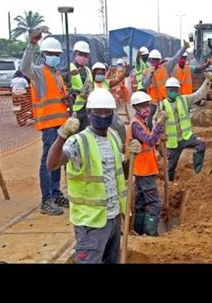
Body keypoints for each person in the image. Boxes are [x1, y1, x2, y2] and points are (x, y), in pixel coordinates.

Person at [46, 88, 132, 263]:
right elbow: (52, 164)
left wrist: (131, 157)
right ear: (89, 113)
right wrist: (62, 136)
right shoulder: (78, 141)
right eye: (97, 112)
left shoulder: (114, 137)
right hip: (90, 223)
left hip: (114, 218)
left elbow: (119, 173)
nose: (102, 115)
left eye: (106, 112)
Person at [21, 29, 70, 215]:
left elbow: (58, 98)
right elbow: (25, 68)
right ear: (43, 55)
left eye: (57, 55)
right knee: (47, 162)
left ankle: (56, 192)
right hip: (49, 126)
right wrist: (31, 44)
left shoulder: (56, 74)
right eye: (51, 54)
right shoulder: (39, 73)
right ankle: (46, 200)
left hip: (61, 124)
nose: (54, 57)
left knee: (57, 160)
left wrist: (67, 99)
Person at [161, 72, 212, 181]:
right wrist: (159, 121)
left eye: (175, 90)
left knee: (201, 145)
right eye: (171, 90)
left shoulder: (184, 100)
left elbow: (198, 95)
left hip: (186, 137)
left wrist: (207, 81)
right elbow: (155, 124)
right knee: (171, 166)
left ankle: (198, 171)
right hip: (172, 142)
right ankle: (170, 184)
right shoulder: (162, 105)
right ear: (166, 90)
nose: (173, 92)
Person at [129, 91, 167, 236]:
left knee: (140, 202)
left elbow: (150, 142)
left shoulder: (141, 123)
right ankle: (151, 233)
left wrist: (159, 135)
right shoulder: (136, 125)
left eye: (147, 105)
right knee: (154, 204)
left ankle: (139, 231)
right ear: (136, 107)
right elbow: (149, 140)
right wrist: (159, 124)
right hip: (144, 170)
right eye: (143, 105)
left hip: (143, 168)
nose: (146, 108)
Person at [142, 40, 191, 131]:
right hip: (153, 102)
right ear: (150, 60)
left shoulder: (165, 67)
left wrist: (184, 48)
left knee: (170, 120)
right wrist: (150, 76)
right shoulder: (146, 72)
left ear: (159, 60)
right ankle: (153, 138)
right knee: (149, 121)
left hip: (164, 100)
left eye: (156, 60)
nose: (154, 62)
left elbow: (175, 58)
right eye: (153, 60)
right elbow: (144, 85)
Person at [68, 41, 93, 131]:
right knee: (72, 133)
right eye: (80, 54)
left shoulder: (87, 70)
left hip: (86, 108)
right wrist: (69, 74)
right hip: (73, 108)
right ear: (75, 54)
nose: (83, 57)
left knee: (85, 133)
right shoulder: (69, 68)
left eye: (85, 55)